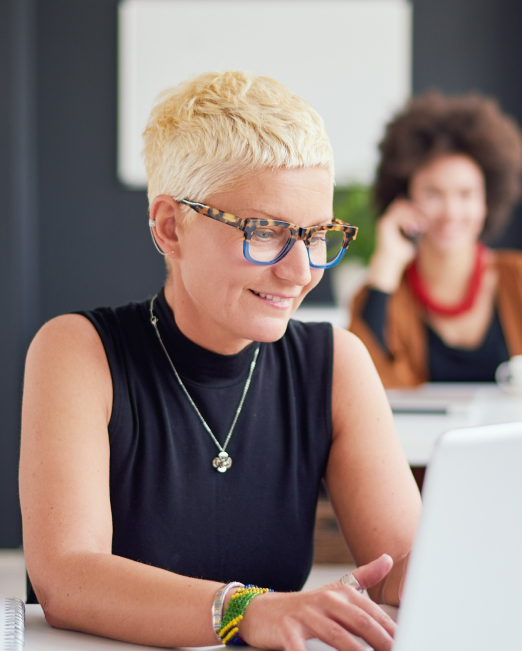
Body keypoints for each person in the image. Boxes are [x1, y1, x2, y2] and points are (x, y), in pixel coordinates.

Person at [19, 71, 420, 650]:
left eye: (316, 235)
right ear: (169, 227)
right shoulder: (79, 351)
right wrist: (248, 610)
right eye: (264, 232)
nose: (300, 270)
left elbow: (405, 569)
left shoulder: (336, 365)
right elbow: (67, 578)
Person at [350, 92, 522, 387]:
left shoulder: (516, 278)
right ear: (405, 199)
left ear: (486, 202)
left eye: (466, 194)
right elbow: (360, 388)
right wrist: (385, 265)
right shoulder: (383, 293)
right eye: (433, 194)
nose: (451, 212)